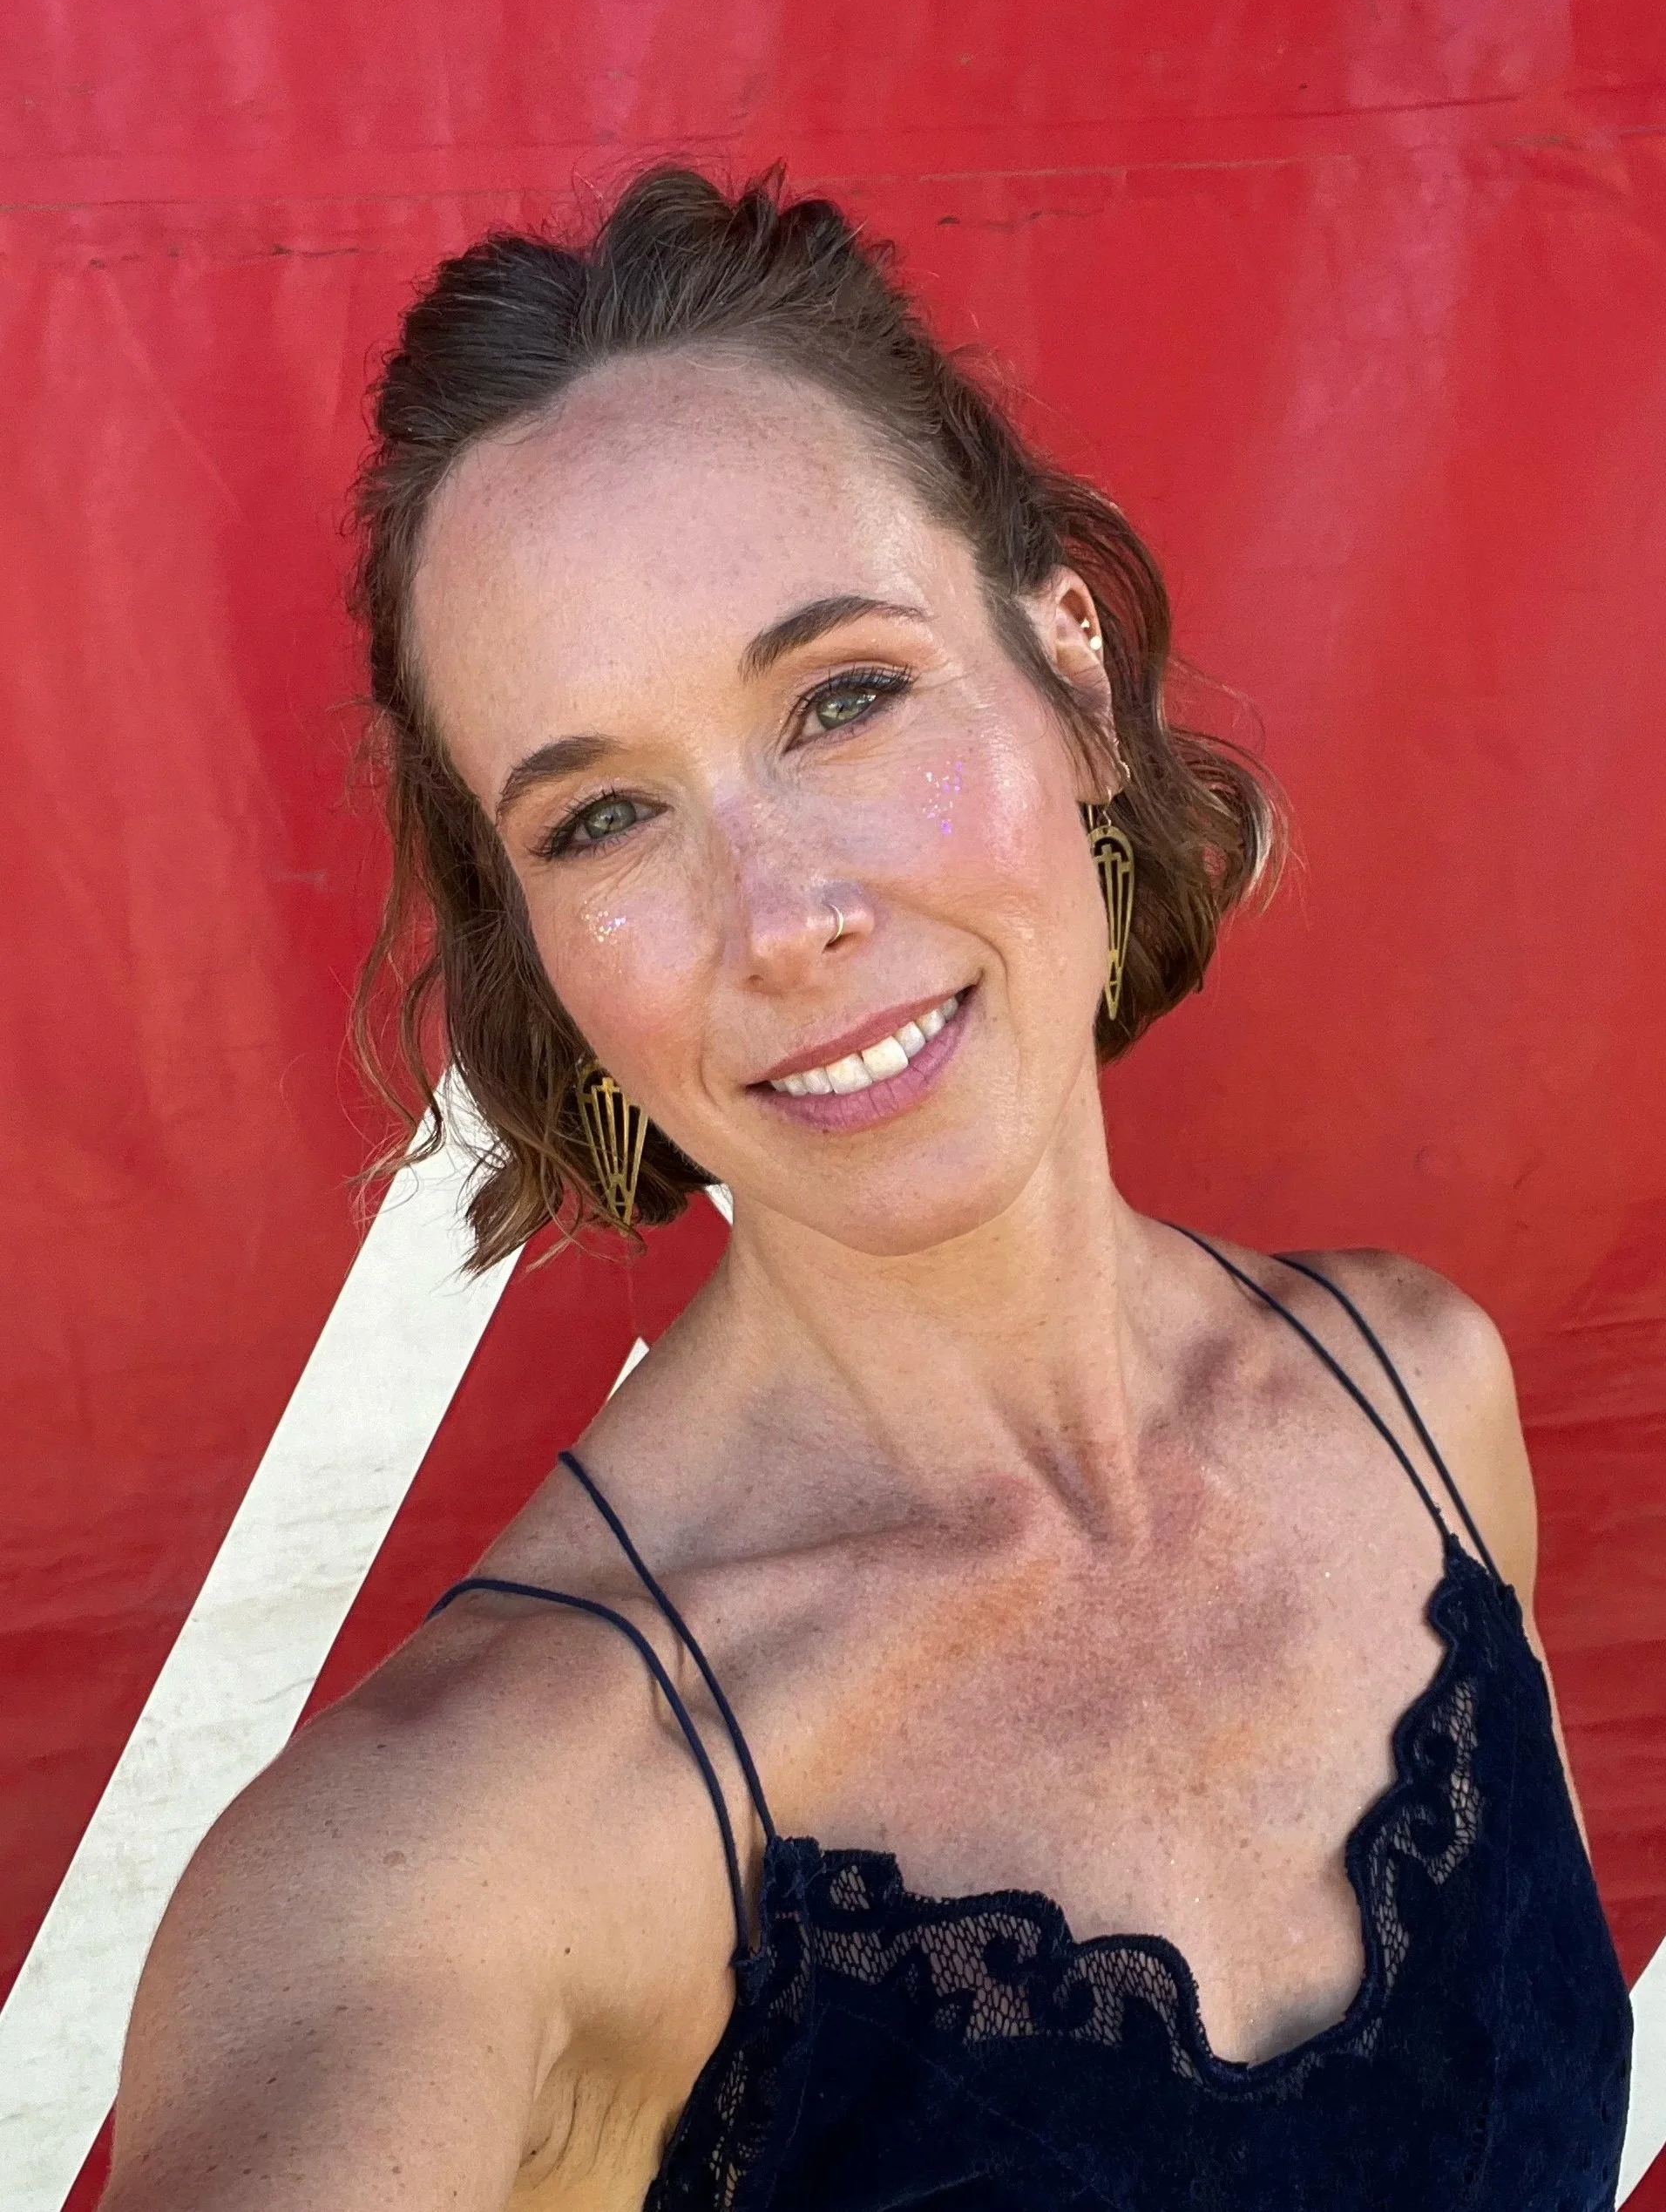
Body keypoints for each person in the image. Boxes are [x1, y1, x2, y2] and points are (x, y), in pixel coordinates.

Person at [103, 167, 1630, 2212]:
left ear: (1069, 682)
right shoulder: (471, 1855)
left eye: (840, 696)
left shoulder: (1422, 1395)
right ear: (537, 949)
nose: (785, 915)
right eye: (606, 815)